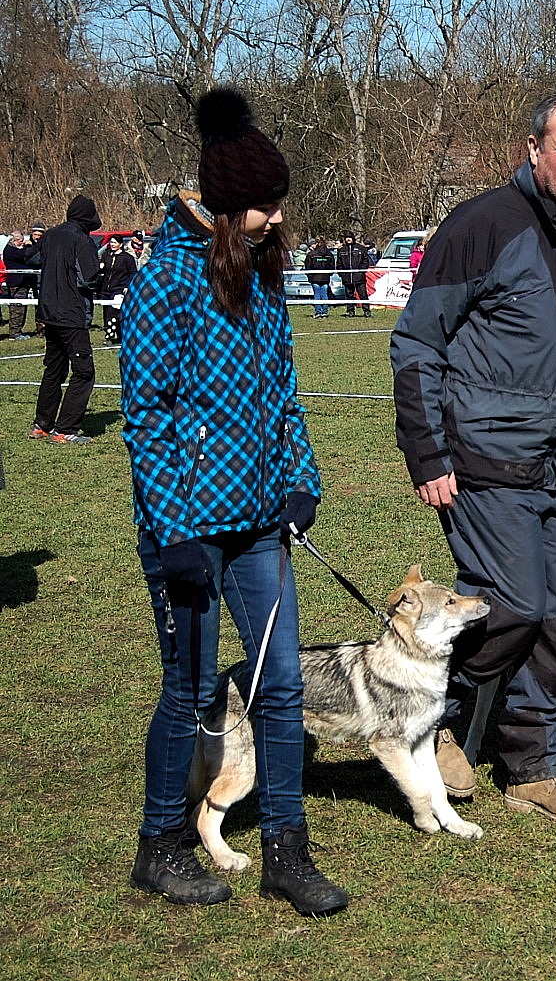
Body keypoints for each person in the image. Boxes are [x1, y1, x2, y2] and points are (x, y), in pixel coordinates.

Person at [390, 87, 556, 824]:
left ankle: (532, 766)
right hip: (483, 461)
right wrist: (427, 450)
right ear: (533, 149)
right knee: (515, 604)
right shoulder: (480, 226)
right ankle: (440, 717)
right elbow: (416, 343)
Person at [119, 86, 348, 914]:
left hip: (260, 529)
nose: (277, 219)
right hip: (187, 534)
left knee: (280, 683)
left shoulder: (263, 281)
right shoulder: (166, 283)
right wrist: (175, 532)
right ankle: (160, 845)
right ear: (226, 206)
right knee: (184, 691)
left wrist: (299, 481)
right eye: (265, 205)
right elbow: (144, 416)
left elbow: (284, 397)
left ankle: (288, 847)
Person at [28, 196, 101, 444]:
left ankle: (42, 424)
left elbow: (33, 259)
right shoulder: (82, 240)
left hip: (49, 313)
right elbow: (88, 278)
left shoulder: (50, 235)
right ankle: (66, 429)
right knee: (83, 372)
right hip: (72, 314)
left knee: (54, 370)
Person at [99, 234, 137, 344]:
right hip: (106, 289)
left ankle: (110, 337)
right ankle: (113, 333)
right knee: (106, 314)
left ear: (120, 244)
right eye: (111, 242)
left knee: (113, 313)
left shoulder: (127, 258)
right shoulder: (106, 255)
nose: (112, 244)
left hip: (119, 290)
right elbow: (104, 271)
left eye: (115, 243)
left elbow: (133, 273)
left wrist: (127, 286)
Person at [3, 230, 32, 339]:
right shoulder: (11, 250)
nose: (22, 242)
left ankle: (17, 331)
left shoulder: (12, 249)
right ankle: (15, 333)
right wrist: (28, 247)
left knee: (21, 308)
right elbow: (24, 256)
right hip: (16, 283)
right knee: (17, 308)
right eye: (20, 241)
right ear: (14, 241)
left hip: (21, 282)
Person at [336, 230, 371, 317]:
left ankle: (366, 310)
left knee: (363, 294)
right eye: (346, 238)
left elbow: (366, 261)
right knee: (349, 295)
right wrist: (342, 274)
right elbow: (339, 264)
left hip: (359, 277)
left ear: (353, 238)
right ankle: (350, 311)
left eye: (350, 237)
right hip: (347, 278)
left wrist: (361, 271)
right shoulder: (341, 250)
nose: (348, 239)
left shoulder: (361, 248)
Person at [304, 236, 335, 319]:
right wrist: (328, 274)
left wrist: (310, 276)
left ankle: (318, 312)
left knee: (317, 295)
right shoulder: (329, 254)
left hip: (314, 279)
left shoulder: (311, 254)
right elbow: (332, 266)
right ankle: (324, 312)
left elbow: (307, 266)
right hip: (325, 278)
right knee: (324, 295)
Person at [25, 222, 46, 336]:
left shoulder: (47, 245)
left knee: (44, 305)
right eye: (35, 234)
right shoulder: (28, 246)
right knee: (36, 305)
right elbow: (28, 260)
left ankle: (45, 328)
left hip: (45, 279)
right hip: (31, 279)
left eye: (39, 235)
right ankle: (39, 328)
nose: (37, 237)